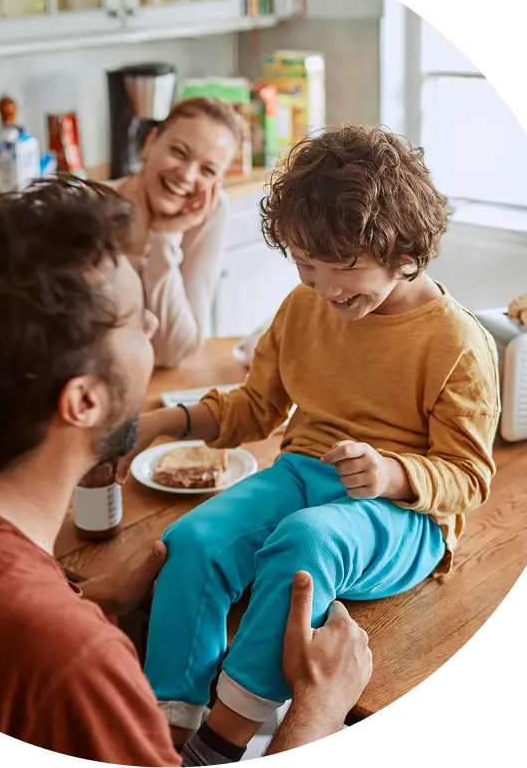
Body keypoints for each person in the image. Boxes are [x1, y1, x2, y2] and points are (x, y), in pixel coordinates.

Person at [0, 179, 371, 767]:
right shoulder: (72, 667)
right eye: (131, 318)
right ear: (84, 402)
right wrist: (317, 713)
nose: (150, 325)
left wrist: (84, 598)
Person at [116, 124, 501, 751]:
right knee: (191, 541)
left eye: (343, 267)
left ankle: (220, 741)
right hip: (300, 473)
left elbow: (468, 477)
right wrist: (156, 425)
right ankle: (166, 728)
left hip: (403, 517)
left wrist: (390, 474)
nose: (324, 288)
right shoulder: (305, 306)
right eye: (304, 265)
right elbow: (258, 407)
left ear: (406, 252)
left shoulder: (456, 342)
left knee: (306, 540)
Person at [117, 97, 241, 368]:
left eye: (207, 170)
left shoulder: (210, 212)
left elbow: (176, 351)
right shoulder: (90, 205)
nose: (186, 175)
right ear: (150, 143)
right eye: (179, 152)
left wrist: (164, 237)